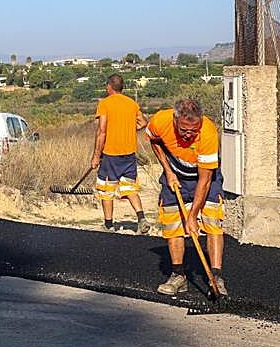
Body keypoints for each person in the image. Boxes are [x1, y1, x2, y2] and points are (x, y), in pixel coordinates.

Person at [145, 98, 227, 297]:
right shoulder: (160, 121)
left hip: (204, 178)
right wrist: (168, 171)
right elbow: (153, 140)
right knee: (173, 224)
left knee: (212, 221)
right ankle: (178, 276)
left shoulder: (208, 132)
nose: (189, 135)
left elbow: (205, 181)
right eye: (184, 130)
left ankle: (215, 278)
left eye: (194, 130)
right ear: (175, 121)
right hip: (174, 176)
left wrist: (193, 216)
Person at [92, 74, 149, 234]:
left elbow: (101, 131)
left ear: (109, 86)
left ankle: (109, 225)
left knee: (106, 190)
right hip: (129, 153)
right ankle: (141, 218)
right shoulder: (131, 103)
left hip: (111, 154)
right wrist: (130, 129)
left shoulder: (105, 104)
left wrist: (96, 155)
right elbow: (144, 122)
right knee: (129, 188)